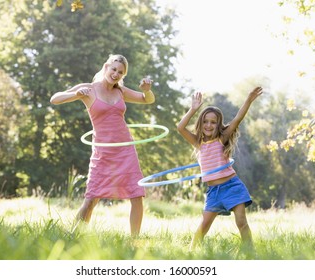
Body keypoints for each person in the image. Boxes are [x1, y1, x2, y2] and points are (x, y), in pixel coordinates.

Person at [50, 54, 155, 236]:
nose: (116, 74)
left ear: (123, 75)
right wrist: (75, 94)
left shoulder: (121, 91)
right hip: (103, 151)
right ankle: (73, 235)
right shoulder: (89, 90)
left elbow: (148, 100)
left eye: (120, 72)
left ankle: (134, 240)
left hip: (125, 149)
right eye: (114, 69)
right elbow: (55, 99)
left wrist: (147, 89)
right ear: (106, 67)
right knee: (92, 198)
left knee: (136, 195)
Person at [177, 87, 262, 250]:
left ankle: (250, 253)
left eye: (213, 122)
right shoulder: (198, 143)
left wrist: (249, 100)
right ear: (201, 124)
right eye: (205, 121)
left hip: (232, 186)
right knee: (203, 226)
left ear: (218, 125)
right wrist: (193, 109)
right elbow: (180, 128)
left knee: (241, 222)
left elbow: (237, 119)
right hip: (213, 192)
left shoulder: (221, 139)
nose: (209, 125)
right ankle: (191, 252)